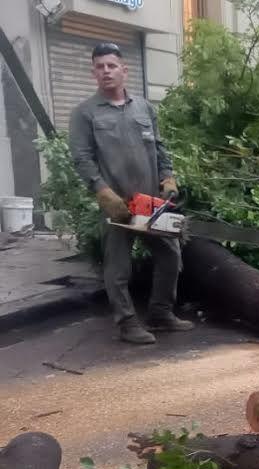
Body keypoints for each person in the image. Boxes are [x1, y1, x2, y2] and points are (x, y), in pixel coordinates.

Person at [69, 43, 191, 344]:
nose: (106, 71)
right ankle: (126, 323)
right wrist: (104, 194)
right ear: (93, 73)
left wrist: (168, 178)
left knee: (170, 255)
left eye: (111, 65)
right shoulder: (85, 114)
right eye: (100, 67)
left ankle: (160, 313)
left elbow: (159, 148)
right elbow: (82, 159)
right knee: (118, 266)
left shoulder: (144, 108)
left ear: (124, 70)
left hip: (149, 202)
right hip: (118, 206)